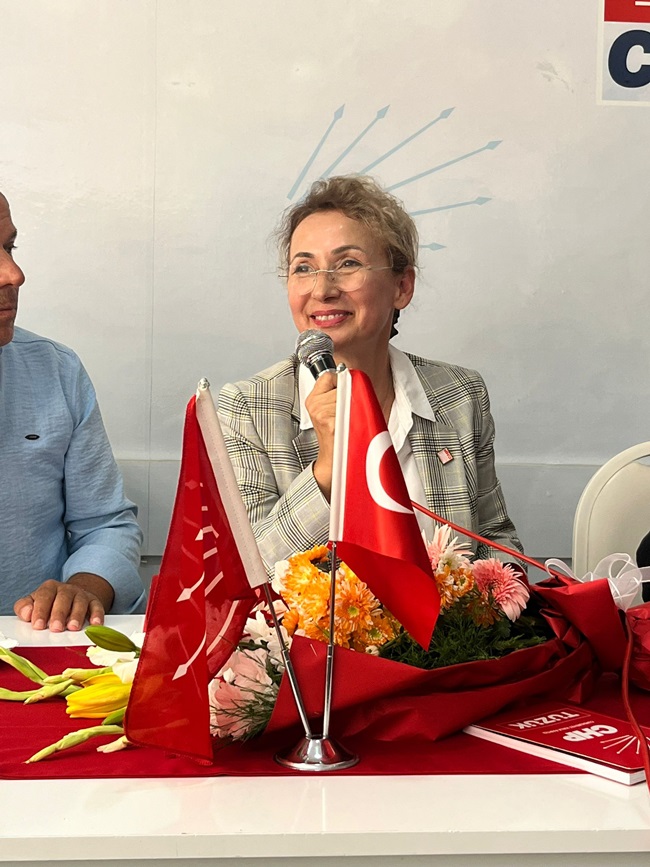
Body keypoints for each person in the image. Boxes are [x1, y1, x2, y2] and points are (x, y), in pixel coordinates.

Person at [218, 175, 523, 575]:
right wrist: (326, 470)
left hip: (444, 617)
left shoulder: (460, 395)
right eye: (303, 268)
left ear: (402, 286)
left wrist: (492, 596)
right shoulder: (248, 408)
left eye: (347, 264)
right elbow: (248, 574)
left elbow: (497, 540)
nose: (322, 290)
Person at [0, 190, 145, 630]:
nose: (15, 275)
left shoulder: (57, 371)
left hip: (37, 649)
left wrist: (83, 589)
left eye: (9, 248)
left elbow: (105, 525)